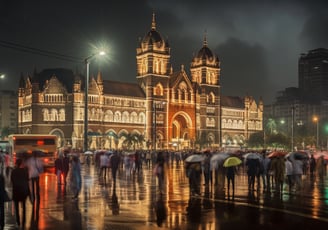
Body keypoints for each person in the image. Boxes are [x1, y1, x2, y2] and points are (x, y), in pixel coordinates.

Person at [11, 158, 30, 228]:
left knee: (16, 207)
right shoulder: (25, 171)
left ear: (16, 164)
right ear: (21, 163)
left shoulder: (13, 171)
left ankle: (18, 221)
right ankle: (24, 220)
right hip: (23, 191)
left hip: (16, 191)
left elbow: (12, 181)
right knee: (24, 206)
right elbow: (27, 181)